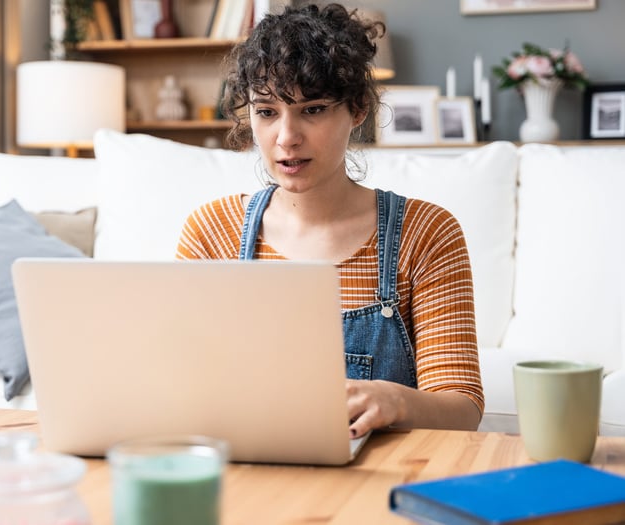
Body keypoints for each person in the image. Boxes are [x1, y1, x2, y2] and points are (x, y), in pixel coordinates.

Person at [176, 3, 483, 438]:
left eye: (313, 110)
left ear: (357, 109)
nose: (286, 138)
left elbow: (463, 408)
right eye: (266, 112)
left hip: (381, 474)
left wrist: (392, 400)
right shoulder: (212, 231)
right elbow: (183, 385)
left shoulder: (426, 232)